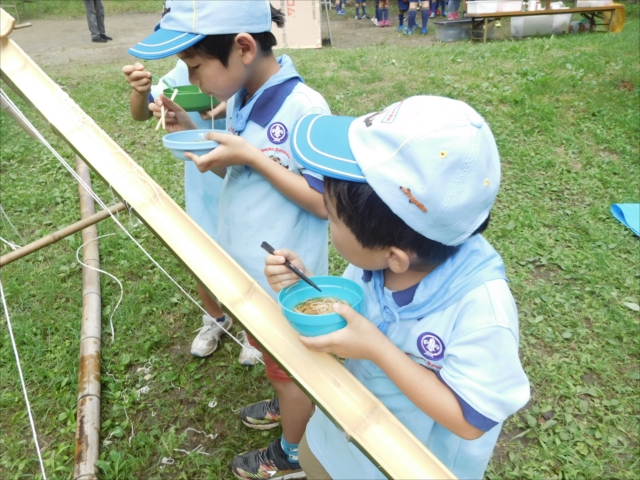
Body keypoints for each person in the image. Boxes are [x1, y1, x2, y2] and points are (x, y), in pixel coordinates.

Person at [264, 96, 531, 479]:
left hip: (405, 464)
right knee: (317, 462)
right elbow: (351, 319)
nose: (329, 223)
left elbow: (472, 419)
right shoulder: (374, 266)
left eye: (333, 219)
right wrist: (306, 286)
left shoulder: (482, 311)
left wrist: (377, 348)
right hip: (342, 431)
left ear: (396, 257)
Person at [127, 2, 330, 478]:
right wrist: (194, 131)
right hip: (250, 274)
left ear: (242, 48)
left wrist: (255, 158)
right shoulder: (244, 96)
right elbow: (242, 165)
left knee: (294, 371)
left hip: (283, 282)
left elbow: (324, 203)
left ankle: (294, 452)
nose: (193, 82)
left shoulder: (304, 109)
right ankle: (287, 404)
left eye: (197, 68)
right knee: (277, 364)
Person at [122, 59, 262, 365]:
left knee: (248, 254)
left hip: (243, 178)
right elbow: (143, 111)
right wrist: (141, 91)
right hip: (203, 183)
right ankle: (216, 317)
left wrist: (222, 105)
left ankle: (257, 332)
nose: (194, 71)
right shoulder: (184, 66)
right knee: (203, 252)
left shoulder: (240, 65)